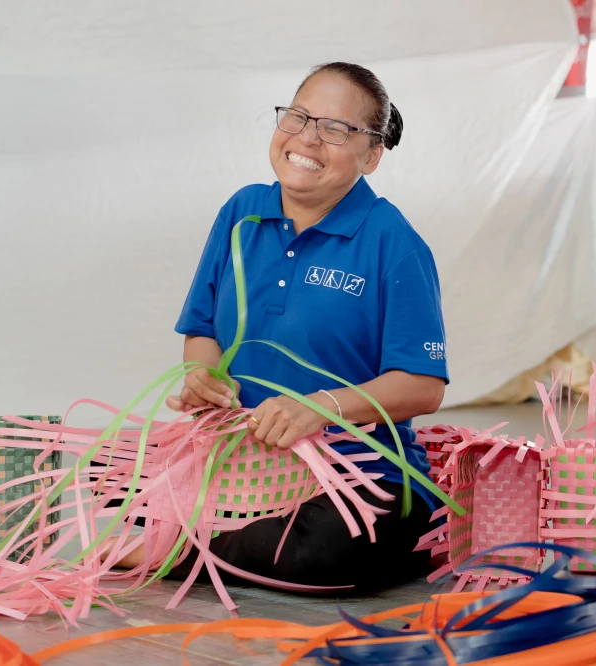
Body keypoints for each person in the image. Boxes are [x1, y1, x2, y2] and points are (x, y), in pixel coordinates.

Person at [114, 62, 449, 591]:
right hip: (244, 467)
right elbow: (202, 331)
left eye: (336, 129)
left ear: (371, 155)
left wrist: (320, 407)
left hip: (352, 474)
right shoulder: (241, 212)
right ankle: (219, 541)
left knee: (332, 547)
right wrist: (204, 378)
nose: (308, 138)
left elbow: (423, 386)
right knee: (108, 475)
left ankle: (171, 550)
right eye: (298, 116)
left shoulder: (393, 242)